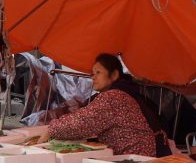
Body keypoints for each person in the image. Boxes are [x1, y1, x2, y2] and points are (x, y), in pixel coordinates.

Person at [43, 53, 171, 157]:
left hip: (138, 157)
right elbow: (84, 115)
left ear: (114, 75)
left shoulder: (114, 96)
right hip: (145, 154)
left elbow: (83, 122)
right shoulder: (124, 91)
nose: (93, 77)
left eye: (98, 72)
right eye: (93, 73)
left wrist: (52, 129)